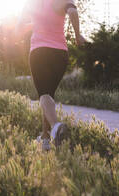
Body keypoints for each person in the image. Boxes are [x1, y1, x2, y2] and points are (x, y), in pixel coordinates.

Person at [16, 0, 86, 151]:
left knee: (44, 95)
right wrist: (78, 35)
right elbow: (73, 12)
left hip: (39, 51)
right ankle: (45, 139)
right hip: (60, 53)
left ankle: (55, 127)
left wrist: (34, 25)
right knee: (49, 97)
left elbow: (19, 28)